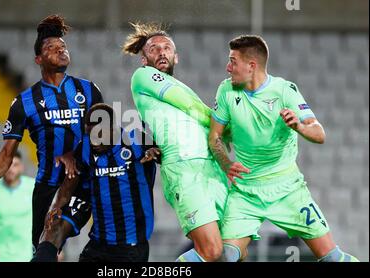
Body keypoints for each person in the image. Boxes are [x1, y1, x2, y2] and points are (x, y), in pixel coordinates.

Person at [208, 35, 359, 262]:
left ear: (251, 66)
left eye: (233, 61)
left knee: (332, 258)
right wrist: (226, 163)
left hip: (288, 190)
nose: (227, 67)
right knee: (225, 256)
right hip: (246, 192)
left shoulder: (284, 91)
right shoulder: (226, 90)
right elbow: (214, 137)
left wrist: (298, 125)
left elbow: (319, 134)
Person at [0, 14, 103, 253]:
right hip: (47, 186)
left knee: (89, 243)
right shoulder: (24, 102)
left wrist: (73, 153)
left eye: (63, 46)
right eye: (51, 47)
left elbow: (103, 140)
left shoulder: (88, 90)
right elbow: (7, 153)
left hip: (85, 181)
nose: (60, 50)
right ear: (38, 58)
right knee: (44, 249)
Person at [122, 23, 230, 262]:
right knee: (210, 251)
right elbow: (191, 106)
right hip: (184, 168)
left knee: (232, 250)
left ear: (176, 57)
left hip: (212, 170)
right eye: (154, 49)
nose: (161, 52)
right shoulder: (143, 77)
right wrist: (226, 127)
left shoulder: (183, 87)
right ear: (144, 59)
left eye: (167, 48)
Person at [32, 103, 158, 262]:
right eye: (89, 135)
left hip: (130, 248)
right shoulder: (85, 147)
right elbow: (68, 185)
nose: (93, 141)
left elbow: (165, 152)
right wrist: (54, 208)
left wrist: (157, 152)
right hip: (98, 245)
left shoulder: (137, 140)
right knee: (53, 225)